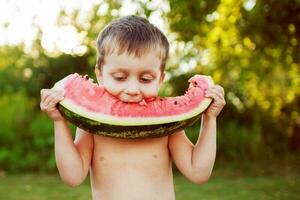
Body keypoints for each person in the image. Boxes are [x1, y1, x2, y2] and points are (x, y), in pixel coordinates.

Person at [40, 15, 225, 200]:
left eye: (145, 79)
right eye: (120, 77)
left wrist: (209, 118)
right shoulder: (92, 127)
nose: (132, 89)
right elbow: (73, 177)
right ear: (100, 74)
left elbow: (198, 173)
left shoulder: (166, 126)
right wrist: (59, 122)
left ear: (160, 79)